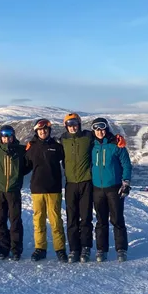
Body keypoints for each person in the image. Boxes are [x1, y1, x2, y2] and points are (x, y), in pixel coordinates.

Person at [25, 119, 67, 262]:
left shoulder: (57, 147)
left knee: (56, 221)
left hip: (54, 188)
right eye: (40, 130)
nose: (43, 132)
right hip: (37, 189)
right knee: (39, 220)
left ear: (49, 130)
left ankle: (60, 249)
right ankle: (40, 249)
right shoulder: (31, 147)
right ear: (36, 132)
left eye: (45, 129)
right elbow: (25, 166)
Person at [90, 118, 132, 262]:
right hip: (97, 188)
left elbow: (126, 164)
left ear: (106, 128)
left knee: (117, 219)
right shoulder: (91, 145)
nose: (100, 132)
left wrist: (126, 182)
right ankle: (101, 249)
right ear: (93, 131)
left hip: (114, 187)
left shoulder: (116, 144)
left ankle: (121, 249)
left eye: (102, 129)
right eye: (97, 130)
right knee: (101, 220)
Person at [0, 125, 31, 260]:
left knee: (15, 221)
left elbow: (28, 165)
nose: (7, 138)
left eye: (9, 135)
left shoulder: (20, 150)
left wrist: (18, 175)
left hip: (14, 190)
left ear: (13, 136)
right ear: (0, 137)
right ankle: (3, 249)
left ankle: (16, 250)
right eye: (4, 136)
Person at [60, 113, 94, 263]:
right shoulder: (63, 139)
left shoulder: (88, 136)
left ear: (79, 124)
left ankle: (85, 247)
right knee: (71, 217)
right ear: (65, 126)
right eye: (69, 124)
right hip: (70, 183)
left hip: (86, 181)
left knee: (86, 217)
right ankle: (74, 249)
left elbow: (103, 136)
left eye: (75, 123)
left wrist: (115, 138)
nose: (72, 127)